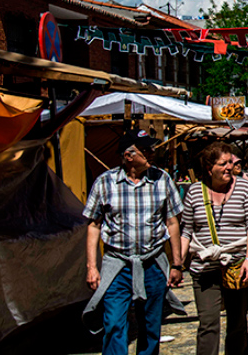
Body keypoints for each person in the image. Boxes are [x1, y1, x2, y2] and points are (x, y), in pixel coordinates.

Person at [82, 130, 185, 355]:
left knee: (150, 326)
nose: (152, 153)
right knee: (114, 324)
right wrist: (92, 267)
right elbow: (93, 225)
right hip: (117, 265)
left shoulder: (162, 179)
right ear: (129, 156)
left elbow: (172, 222)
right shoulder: (105, 183)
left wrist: (176, 264)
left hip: (153, 263)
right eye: (146, 150)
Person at [180, 141, 248, 355]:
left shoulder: (244, 187)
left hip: (237, 266)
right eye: (223, 163)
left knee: (237, 324)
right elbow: (186, 231)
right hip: (204, 268)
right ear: (209, 168)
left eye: (230, 162)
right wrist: (177, 265)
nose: (229, 167)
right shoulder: (195, 193)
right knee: (208, 324)